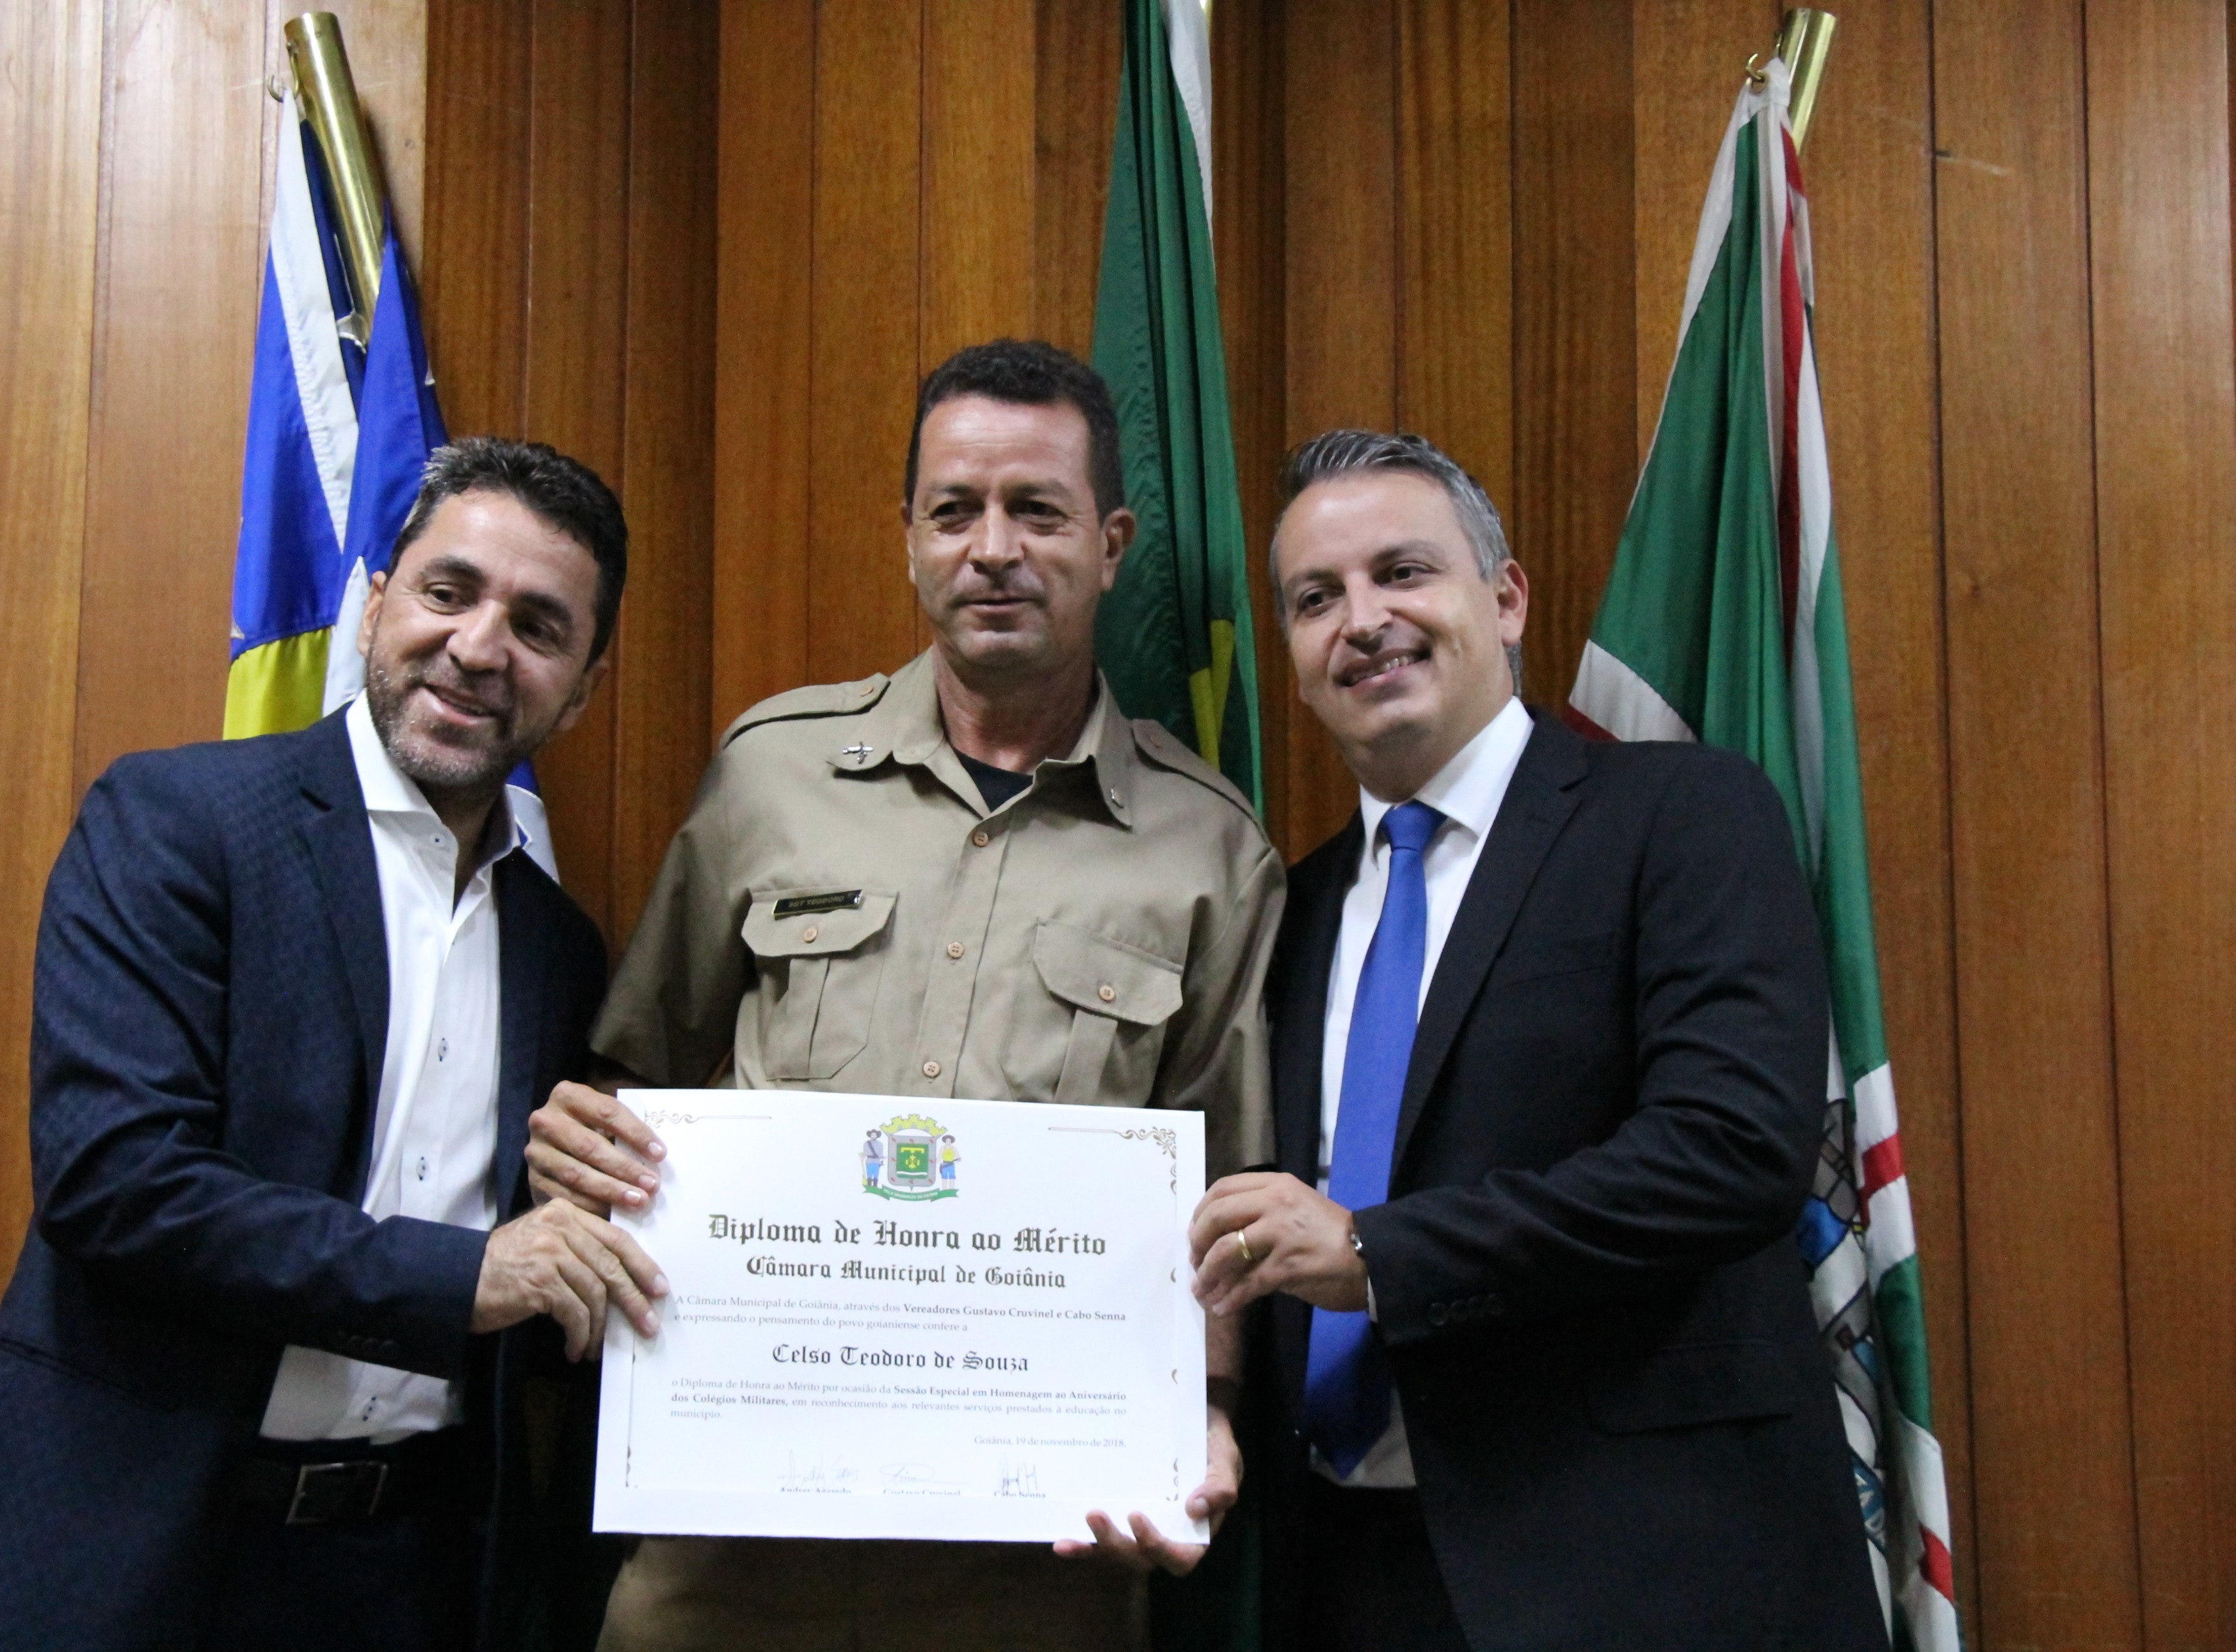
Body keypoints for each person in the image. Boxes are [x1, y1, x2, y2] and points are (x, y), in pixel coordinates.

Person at [0, 438, 668, 1652]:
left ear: (582, 690)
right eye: (448, 591)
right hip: (131, 1550)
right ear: (374, 603)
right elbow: (116, 1181)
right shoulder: (178, 823)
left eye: (539, 627)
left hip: (407, 1578)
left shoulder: (559, 946)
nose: (481, 646)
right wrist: (467, 1276)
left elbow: (537, 1291)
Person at [525, 339, 1285, 1652]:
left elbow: (1224, 1196)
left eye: (1037, 510)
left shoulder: (1211, 847)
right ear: (909, 541)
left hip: (1037, 1564)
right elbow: (635, 1071)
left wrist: (1204, 1406)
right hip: (727, 1540)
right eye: (954, 510)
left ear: (1111, 544)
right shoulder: (771, 773)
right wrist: (581, 1159)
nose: (993, 549)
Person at [1186, 431, 1886, 1651]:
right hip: (1350, 1574)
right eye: (1316, 597)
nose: (1364, 619)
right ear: (1292, 657)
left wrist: (1377, 1253)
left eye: (1404, 572)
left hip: (1644, 1574)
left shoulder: (1685, 816)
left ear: (1505, 599)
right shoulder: (1288, 910)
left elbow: (1729, 1155)